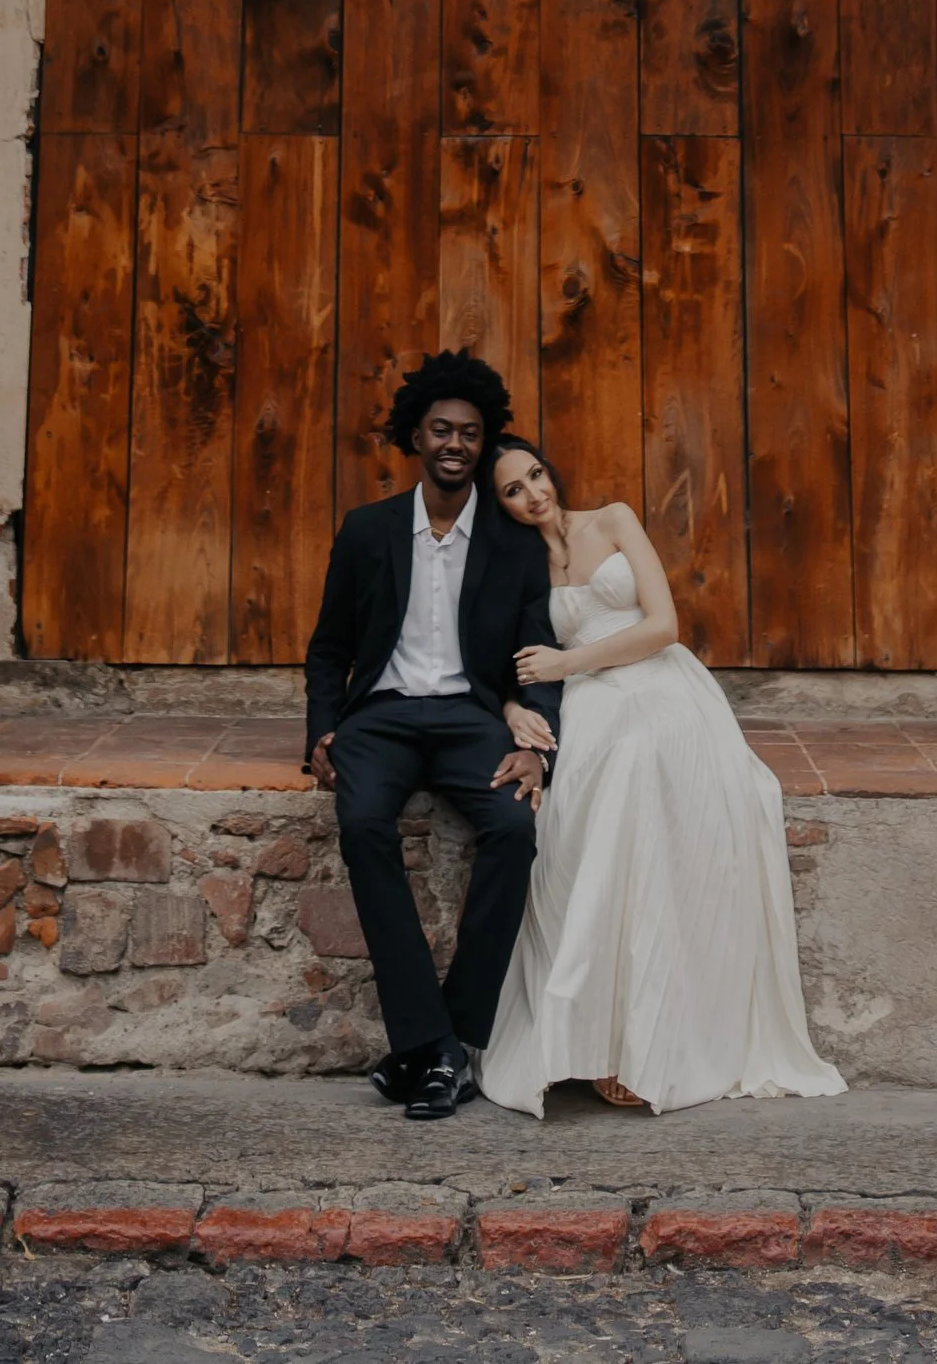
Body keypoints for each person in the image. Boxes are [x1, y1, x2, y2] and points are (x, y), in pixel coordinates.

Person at [479, 440, 846, 1116]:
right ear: (499, 504)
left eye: (536, 474)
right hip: (588, 698)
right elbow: (502, 658)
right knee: (585, 798)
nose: (534, 493)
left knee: (644, 759)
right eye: (513, 490)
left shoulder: (614, 518)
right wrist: (512, 704)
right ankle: (591, 1037)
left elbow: (664, 625)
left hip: (658, 680)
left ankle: (649, 1041)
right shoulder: (522, 564)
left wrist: (569, 661)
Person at [302, 352, 559, 1120]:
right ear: (416, 436)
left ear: (484, 444)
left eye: (471, 433)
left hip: (467, 720)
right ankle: (440, 1050)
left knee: (513, 827)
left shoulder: (513, 545)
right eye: (442, 429)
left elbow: (537, 653)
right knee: (363, 823)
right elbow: (327, 649)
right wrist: (323, 730)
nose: (456, 442)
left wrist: (538, 744)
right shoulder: (368, 530)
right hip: (378, 717)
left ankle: (438, 1041)